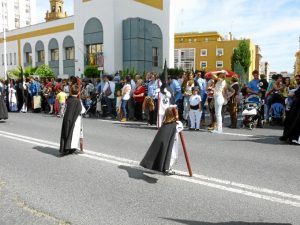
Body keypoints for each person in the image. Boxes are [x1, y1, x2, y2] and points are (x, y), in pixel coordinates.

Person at [140, 107, 183, 175]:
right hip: (172, 143)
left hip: (170, 141)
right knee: (172, 156)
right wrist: (177, 117)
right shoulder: (176, 124)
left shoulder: (165, 123)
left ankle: (165, 167)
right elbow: (181, 127)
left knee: (169, 155)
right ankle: (167, 169)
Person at [59, 84, 85, 155]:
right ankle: (71, 148)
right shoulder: (78, 101)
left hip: (67, 118)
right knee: (74, 134)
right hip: (76, 120)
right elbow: (82, 110)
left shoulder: (68, 100)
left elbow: (64, 109)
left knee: (66, 132)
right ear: (79, 92)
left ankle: (64, 149)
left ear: (70, 91)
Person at [279, 80, 300, 145]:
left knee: (294, 121)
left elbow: (295, 93)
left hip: (298, 106)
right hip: (297, 105)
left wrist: (290, 94)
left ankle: (295, 138)